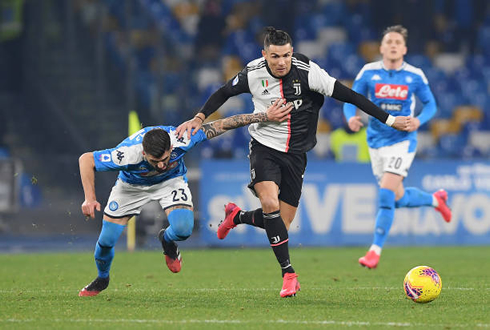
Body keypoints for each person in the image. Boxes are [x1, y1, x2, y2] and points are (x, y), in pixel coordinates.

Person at [176, 26, 413, 298]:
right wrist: (198, 118)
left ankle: (237, 215)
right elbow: (222, 92)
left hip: (296, 154)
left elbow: (350, 96)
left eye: (286, 55)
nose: (281, 62)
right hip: (264, 146)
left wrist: (391, 120)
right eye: (275, 56)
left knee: (280, 223)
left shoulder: (309, 71)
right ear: (264, 54)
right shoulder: (253, 73)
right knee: (269, 203)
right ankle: (288, 273)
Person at [78, 99, 292, 297]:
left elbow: (225, 124)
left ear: (171, 147)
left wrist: (264, 116)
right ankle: (102, 278)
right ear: (144, 154)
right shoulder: (126, 153)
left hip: (170, 181)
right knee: (106, 242)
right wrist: (90, 198)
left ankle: (167, 240)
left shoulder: (182, 138)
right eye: (155, 161)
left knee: (183, 229)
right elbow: (86, 159)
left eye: (165, 158)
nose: (161, 164)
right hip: (131, 187)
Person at [343, 25, 452, 269]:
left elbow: (431, 105)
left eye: (397, 42)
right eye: (388, 41)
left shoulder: (415, 75)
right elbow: (350, 100)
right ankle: (436, 201)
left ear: (404, 48)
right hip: (376, 142)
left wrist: (418, 121)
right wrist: (351, 117)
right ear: (381, 47)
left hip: (402, 141)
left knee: (385, 194)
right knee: (398, 198)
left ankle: (374, 251)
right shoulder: (369, 72)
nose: (392, 45)